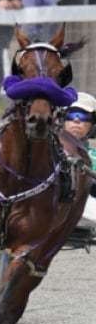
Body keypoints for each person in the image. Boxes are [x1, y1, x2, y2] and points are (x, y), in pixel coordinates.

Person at [62, 92, 96, 230]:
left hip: (84, 210)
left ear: (92, 125)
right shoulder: (46, 151)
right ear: (62, 119)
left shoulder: (93, 157)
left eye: (83, 116)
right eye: (71, 115)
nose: (76, 120)